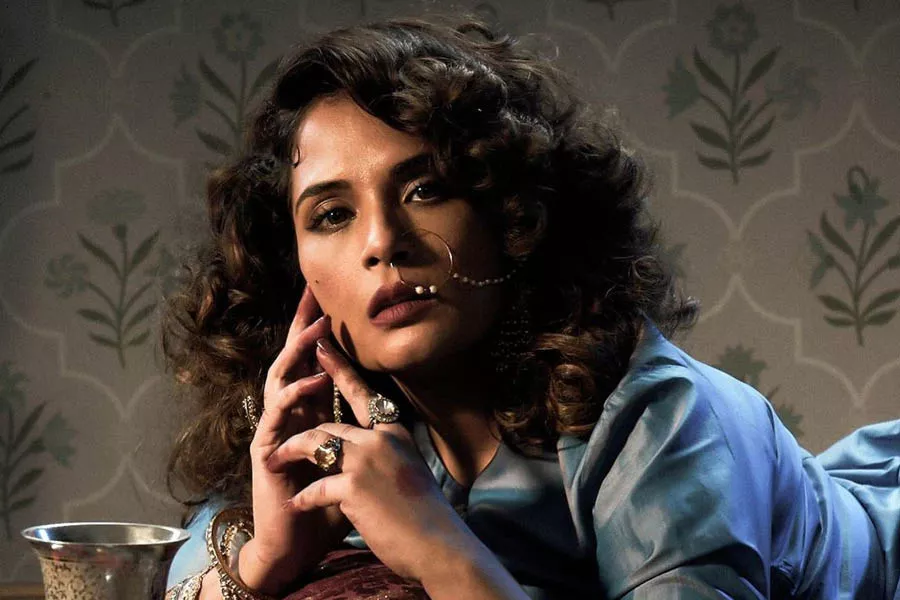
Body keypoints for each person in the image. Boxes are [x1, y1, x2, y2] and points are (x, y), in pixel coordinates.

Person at [162, 16, 900, 600]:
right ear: (292, 268)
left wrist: (441, 552)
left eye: (426, 189)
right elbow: (171, 577)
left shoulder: (662, 416)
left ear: (511, 215)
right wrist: (265, 558)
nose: (382, 242)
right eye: (331, 215)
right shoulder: (321, 425)